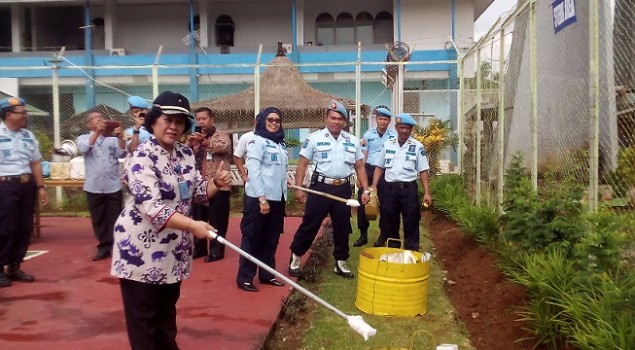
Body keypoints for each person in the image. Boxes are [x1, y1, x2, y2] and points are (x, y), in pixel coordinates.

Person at [110, 91, 232, 350]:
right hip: (141, 256)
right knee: (145, 324)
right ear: (154, 120)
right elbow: (152, 208)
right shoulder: (141, 156)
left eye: (180, 121)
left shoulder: (185, 154)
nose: (174, 126)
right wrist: (193, 226)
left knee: (166, 319)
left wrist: (215, 184)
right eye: (168, 119)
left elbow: (197, 191)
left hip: (172, 255)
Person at [288, 100, 370, 279]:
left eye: (340, 119)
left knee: (342, 226)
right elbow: (302, 164)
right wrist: (299, 187)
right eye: (333, 118)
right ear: (326, 118)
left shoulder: (352, 141)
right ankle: (296, 256)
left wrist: (365, 190)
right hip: (320, 188)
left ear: (345, 122)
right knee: (311, 224)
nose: (336, 122)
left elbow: (360, 167)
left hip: (343, 190)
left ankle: (340, 262)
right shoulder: (314, 139)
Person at [236, 107, 288, 292]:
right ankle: (245, 278)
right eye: (270, 120)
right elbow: (255, 172)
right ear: (263, 121)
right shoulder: (257, 141)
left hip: (277, 198)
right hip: (259, 199)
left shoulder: (280, 143)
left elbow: (277, 172)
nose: (274, 123)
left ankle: (267, 275)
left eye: (277, 120)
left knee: (271, 239)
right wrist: (262, 199)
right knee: (252, 238)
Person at [0, 96, 49, 287]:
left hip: (26, 186)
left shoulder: (28, 135)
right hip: (4, 187)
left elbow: (35, 163)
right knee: (5, 227)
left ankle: (14, 266)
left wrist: (41, 187)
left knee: (23, 226)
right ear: (9, 115)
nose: (25, 116)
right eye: (22, 113)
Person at [370, 113, 432, 251]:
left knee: (411, 219)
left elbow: (423, 170)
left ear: (411, 130)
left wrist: (427, 192)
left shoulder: (417, 146)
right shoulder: (388, 144)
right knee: (390, 219)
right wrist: (373, 186)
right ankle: (393, 247)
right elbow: (379, 166)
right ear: (397, 127)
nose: (404, 131)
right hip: (390, 189)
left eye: (407, 128)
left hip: (408, 189)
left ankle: (411, 249)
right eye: (402, 127)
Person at [76, 111, 127, 261]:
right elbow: (84, 149)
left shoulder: (111, 140)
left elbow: (122, 154)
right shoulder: (83, 138)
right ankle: (103, 245)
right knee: (98, 218)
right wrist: (96, 133)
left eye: (101, 118)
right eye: (96, 118)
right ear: (88, 124)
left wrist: (120, 138)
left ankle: (116, 246)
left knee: (115, 217)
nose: (100, 120)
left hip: (113, 185)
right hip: (94, 185)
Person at [188, 107, 232, 262]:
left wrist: (205, 142)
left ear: (212, 119)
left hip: (218, 184)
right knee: (198, 217)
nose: (201, 122)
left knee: (217, 219)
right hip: (198, 185)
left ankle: (216, 250)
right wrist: (189, 145)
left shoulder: (221, 135)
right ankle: (199, 248)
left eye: (204, 118)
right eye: (198, 119)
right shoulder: (194, 137)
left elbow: (223, 146)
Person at [353, 106, 397, 247]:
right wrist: (361, 176)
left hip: (386, 173)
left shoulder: (394, 136)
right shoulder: (368, 135)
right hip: (369, 170)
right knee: (363, 201)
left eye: (385, 119)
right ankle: (363, 234)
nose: (382, 122)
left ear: (389, 121)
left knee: (385, 204)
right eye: (380, 119)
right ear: (376, 120)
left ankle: (383, 235)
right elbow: (364, 156)